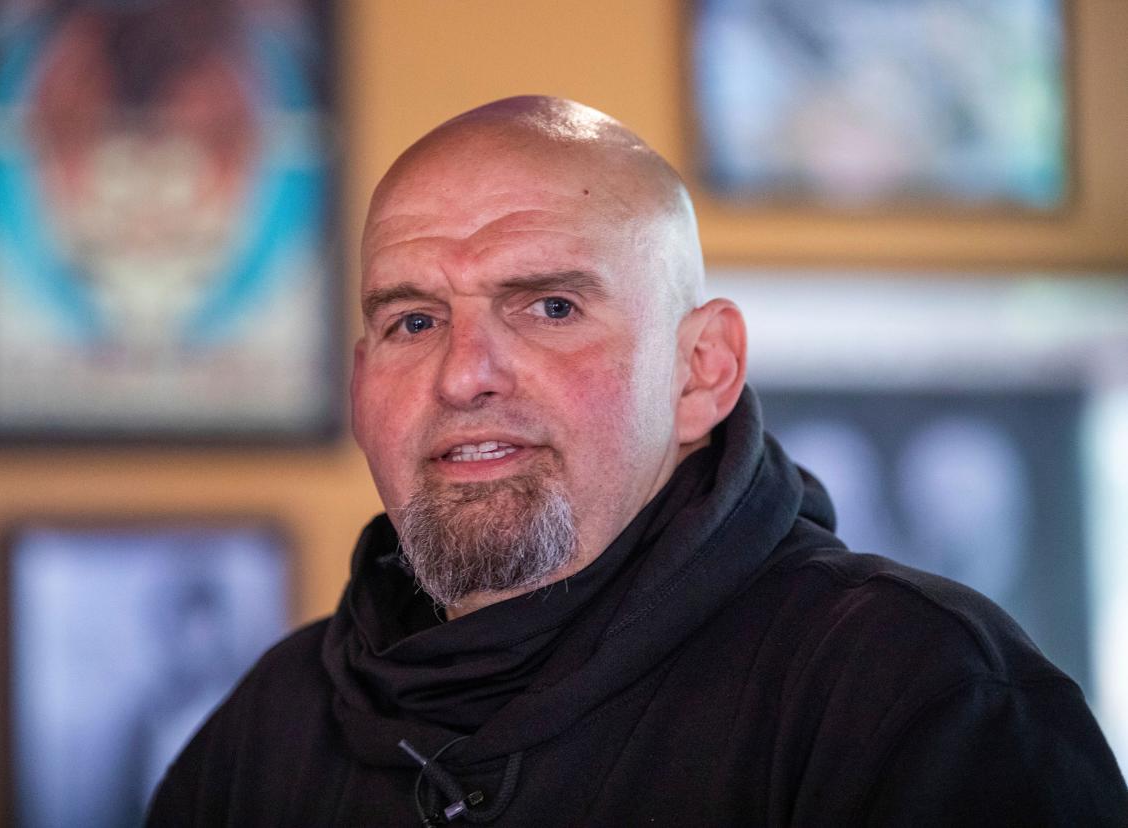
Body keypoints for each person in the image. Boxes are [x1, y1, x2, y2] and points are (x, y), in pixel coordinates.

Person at [147, 96, 1127, 826]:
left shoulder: (917, 695)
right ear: (361, 385)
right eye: (413, 319)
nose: (463, 376)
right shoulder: (269, 728)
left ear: (702, 372)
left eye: (552, 308)